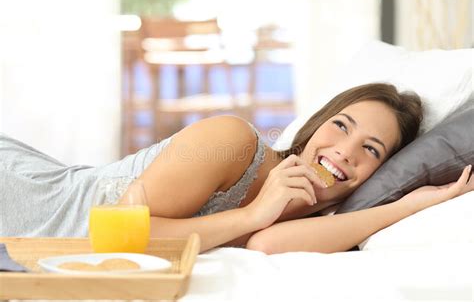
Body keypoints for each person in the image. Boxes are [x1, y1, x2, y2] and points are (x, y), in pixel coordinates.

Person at [1, 83, 472, 254]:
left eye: (371, 149)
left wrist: (406, 205)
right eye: (340, 125)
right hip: (36, 201)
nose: (344, 150)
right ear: (315, 125)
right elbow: (125, 234)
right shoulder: (232, 141)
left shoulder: (321, 217)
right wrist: (251, 213)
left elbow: (267, 243)